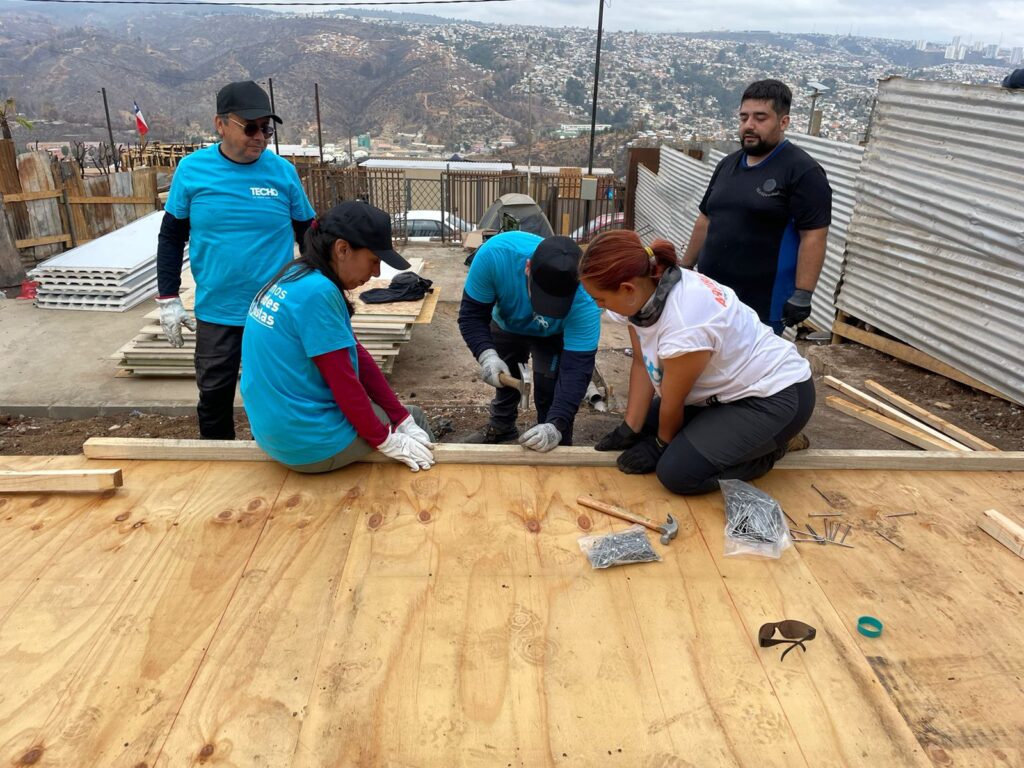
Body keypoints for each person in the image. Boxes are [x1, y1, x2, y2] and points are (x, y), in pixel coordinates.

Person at [580, 230, 815, 495]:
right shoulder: (646, 289)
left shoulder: (685, 324)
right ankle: (735, 439)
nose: (599, 306)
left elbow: (673, 401)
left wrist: (661, 445)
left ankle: (772, 448)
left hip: (775, 397)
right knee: (645, 425)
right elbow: (641, 362)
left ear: (627, 289)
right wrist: (630, 427)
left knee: (677, 473)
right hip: (728, 391)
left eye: (600, 299)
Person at [156, 80, 316, 439]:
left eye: (267, 129)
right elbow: (171, 236)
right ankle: (218, 462)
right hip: (217, 310)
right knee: (213, 397)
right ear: (220, 124)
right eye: (250, 127)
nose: (260, 137)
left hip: (275, 310)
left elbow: (308, 234)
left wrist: (318, 292)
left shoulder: (283, 173)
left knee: (280, 393)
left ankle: (284, 456)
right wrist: (168, 298)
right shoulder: (192, 171)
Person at [240, 201, 435, 473]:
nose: (376, 273)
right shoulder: (318, 293)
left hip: (275, 431)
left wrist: (398, 417)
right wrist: (386, 439)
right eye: (374, 261)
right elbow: (344, 382)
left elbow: (356, 355)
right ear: (343, 249)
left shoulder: (296, 275)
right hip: (310, 445)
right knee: (416, 422)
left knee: (403, 417)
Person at [682, 79, 832, 335]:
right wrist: (684, 269)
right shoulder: (727, 165)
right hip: (713, 296)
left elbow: (814, 235)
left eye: (760, 118)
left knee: (752, 373)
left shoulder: (803, 171)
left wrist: (803, 293)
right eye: (744, 117)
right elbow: (705, 219)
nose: (749, 125)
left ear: (783, 122)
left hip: (762, 304)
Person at [457, 231, 602, 451]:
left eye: (556, 304)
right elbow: (472, 316)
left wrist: (556, 425)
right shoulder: (495, 255)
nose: (546, 310)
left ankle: (556, 441)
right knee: (507, 377)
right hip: (507, 323)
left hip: (554, 335)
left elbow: (577, 368)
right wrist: (486, 354)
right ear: (527, 268)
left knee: (550, 391)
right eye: (542, 297)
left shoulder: (587, 299)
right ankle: (502, 427)